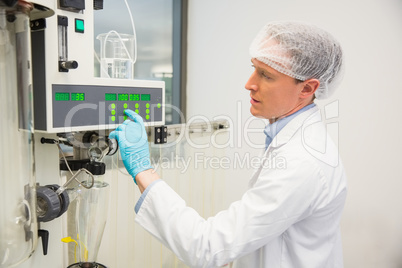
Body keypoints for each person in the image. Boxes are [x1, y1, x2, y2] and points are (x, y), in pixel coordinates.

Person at [109, 21, 347, 268]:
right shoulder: (291, 142)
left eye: (266, 75)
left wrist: (142, 170)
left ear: (307, 88)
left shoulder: (303, 162)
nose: (249, 83)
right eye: (254, 68)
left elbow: (209, 248)